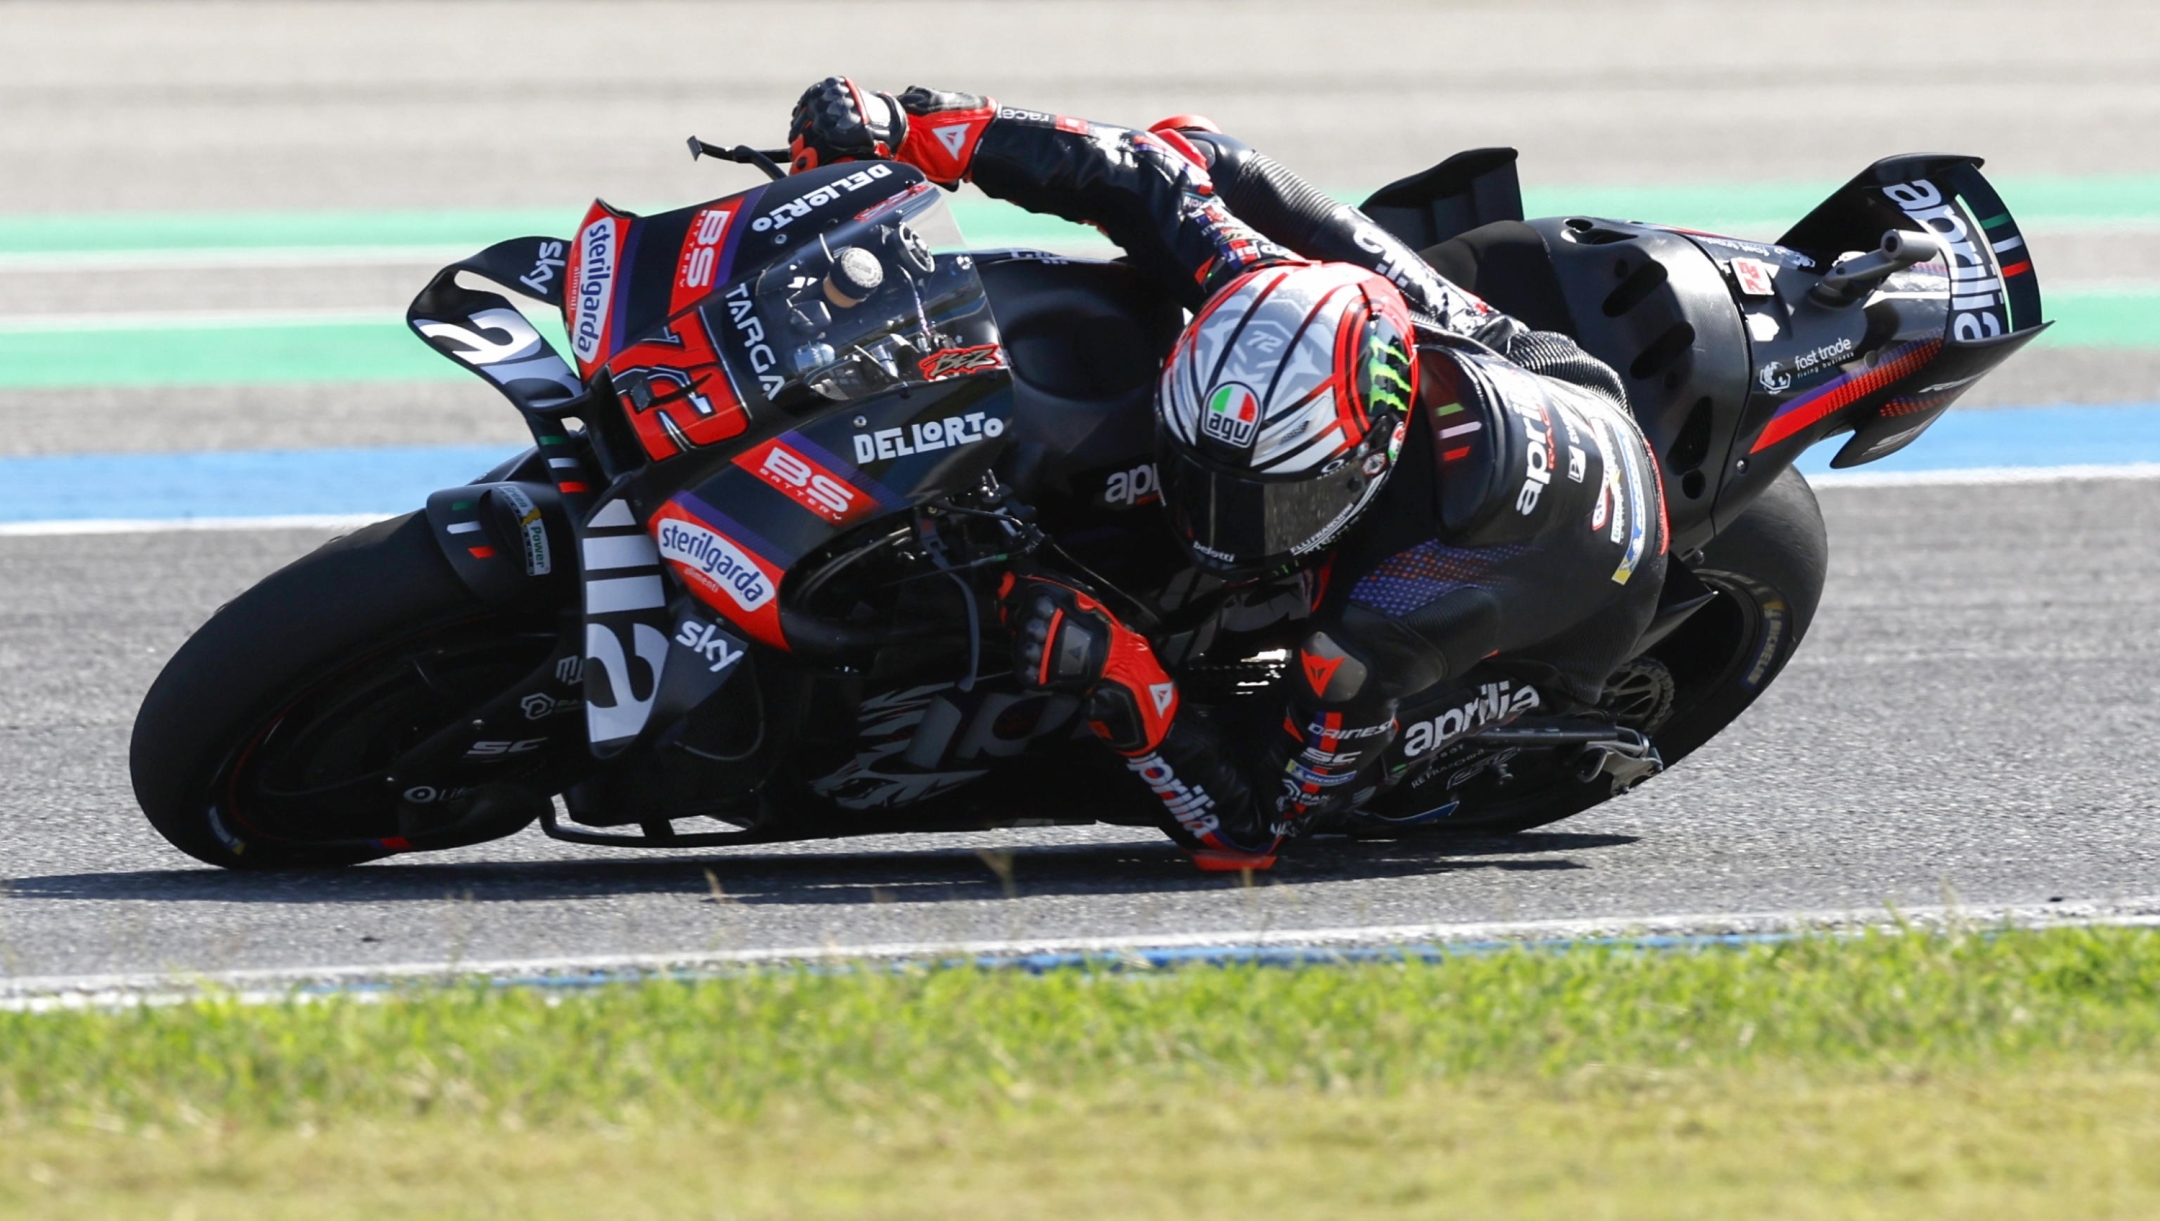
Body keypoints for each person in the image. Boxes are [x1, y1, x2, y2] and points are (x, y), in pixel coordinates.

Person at [788, 78, 1669, 870]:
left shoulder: (1390, 606)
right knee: (1196, 155)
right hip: (1516, 360)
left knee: (1309, 716)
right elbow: (1133, 176)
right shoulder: (1250, 279)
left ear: (1361, 465)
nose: (1218, 525)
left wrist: (1125, 672)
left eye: (1271, 502)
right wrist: (920, 129)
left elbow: (1260, 825)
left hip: (1582, 581)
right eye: (1203, 477)